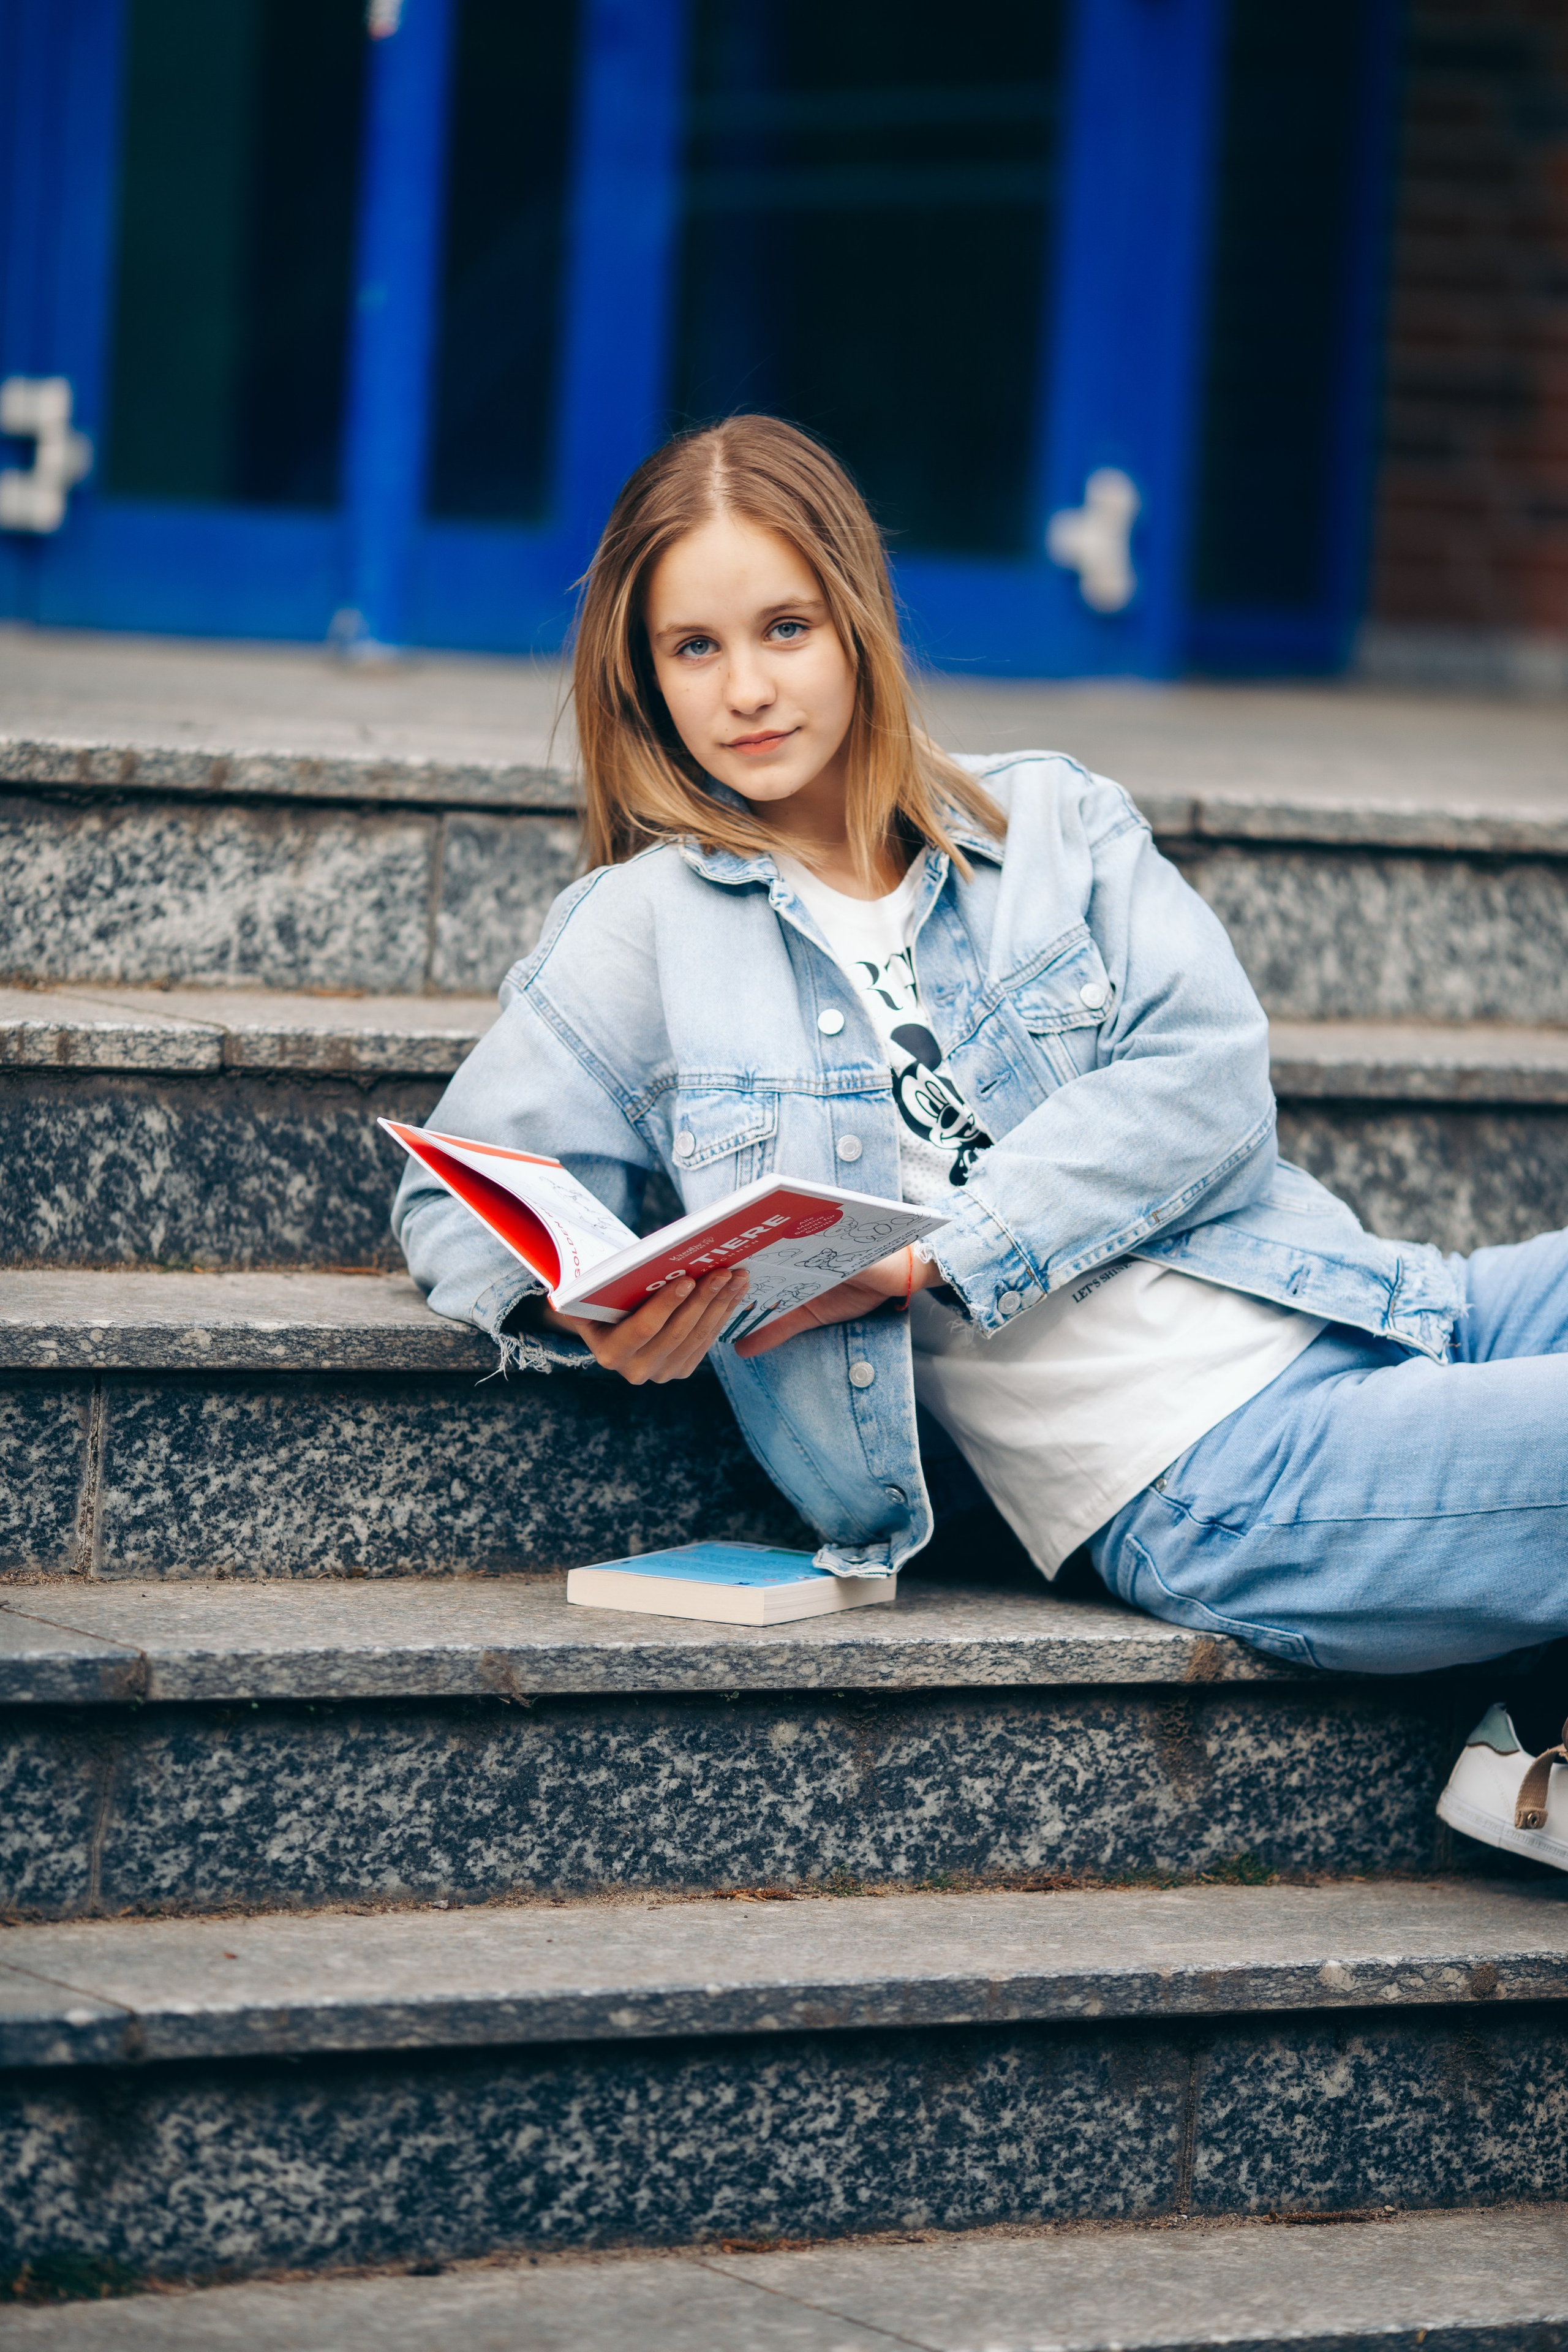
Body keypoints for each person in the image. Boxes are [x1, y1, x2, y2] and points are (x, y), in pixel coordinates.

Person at [393, 414, 1568, 1871]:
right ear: (640, 674)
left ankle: (1539, 1747)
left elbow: (1204, 1080)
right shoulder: (641, 937)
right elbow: (461, 1199)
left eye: (782, 627)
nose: (746, 690)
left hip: (1380, 1308)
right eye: (693, 649)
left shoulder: (1052, 821)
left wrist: (930, 1260)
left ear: (856, 622)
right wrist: (588, 1307)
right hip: (1199, 1468)